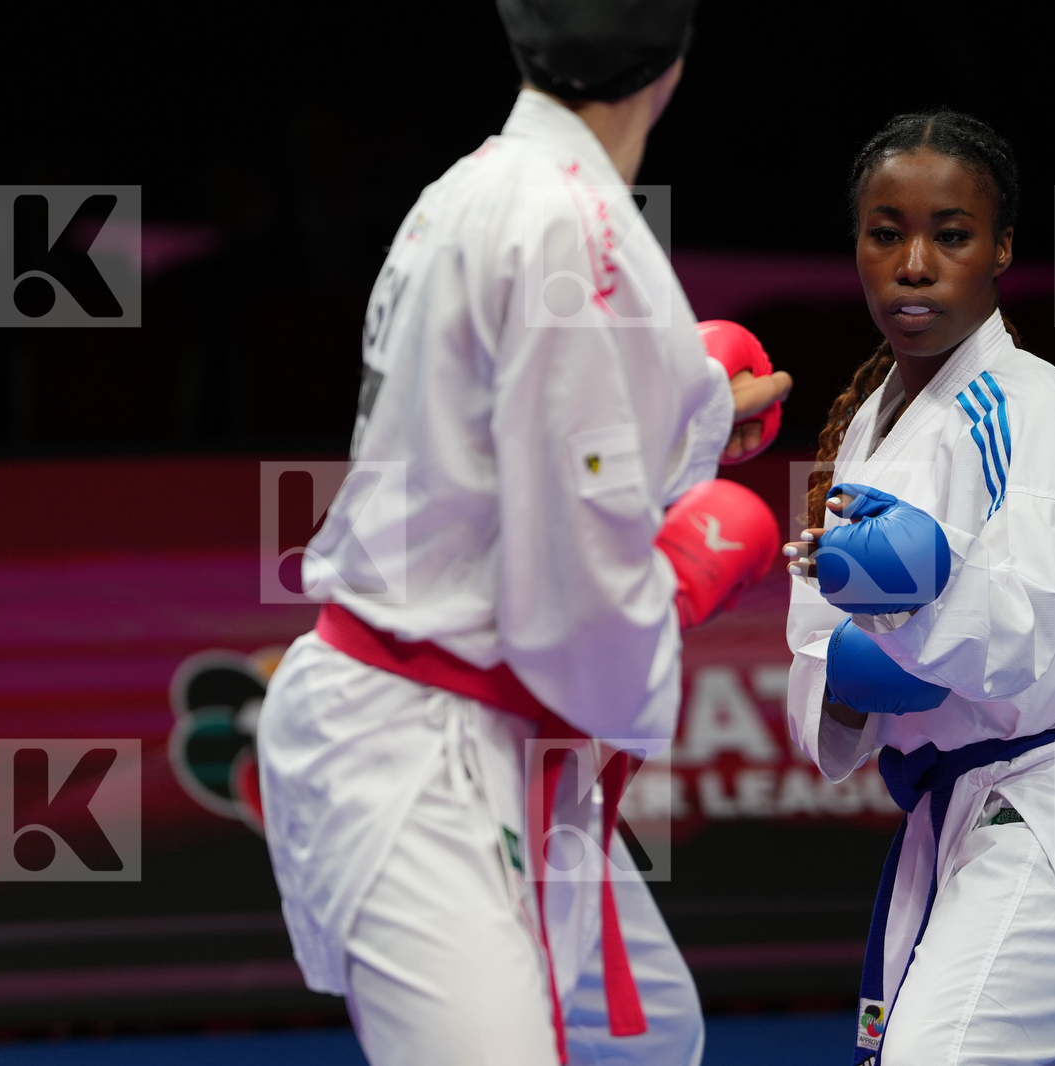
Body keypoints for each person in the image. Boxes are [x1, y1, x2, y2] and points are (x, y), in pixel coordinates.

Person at [256, 3, 791, 1064]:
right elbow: (575, 586)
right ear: (673, 71)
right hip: (419, 744)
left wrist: (688, 402)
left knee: (647, 1042)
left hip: (477, 724)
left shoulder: (471, 187)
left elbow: (511, 426)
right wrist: (685, 572)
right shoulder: (576, 231)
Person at [783, 111, 1055, 1065]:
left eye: (951, 234)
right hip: (965, 811)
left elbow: (1010, 647)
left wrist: (902, 604)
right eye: (886, 233)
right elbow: (823, 667)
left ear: (1002, 248)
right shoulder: (857, 438)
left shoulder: (1027, 408)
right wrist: (848, 677)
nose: (915, 263)